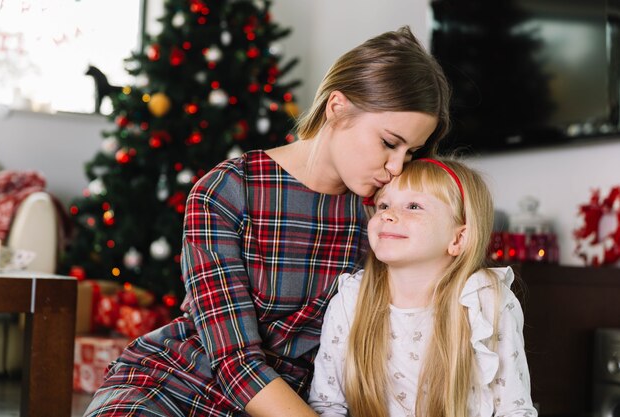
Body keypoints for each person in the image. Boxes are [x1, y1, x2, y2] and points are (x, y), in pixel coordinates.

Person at [83, 26, 450, 417]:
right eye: (389, 143)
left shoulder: (384, 218)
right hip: (176, 385)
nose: (396, 167)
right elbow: (235, 361)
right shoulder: (226, 190)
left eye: (410, 153)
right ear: (337, 107)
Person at [308, 158, 537, 417]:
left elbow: (515, 410)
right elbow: (326, 406)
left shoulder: (486, 301)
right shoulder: (352, 299)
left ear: (458, 238)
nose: (387, 214)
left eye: (413, 206)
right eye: (383, 204)